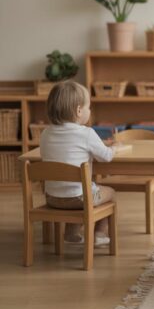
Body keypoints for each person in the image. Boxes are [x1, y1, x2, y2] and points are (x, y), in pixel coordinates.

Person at [40, 81, 118, 246]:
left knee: (79, 190)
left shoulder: (45, 133)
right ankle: (99, 234)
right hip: (79, 199)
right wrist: (115, 147)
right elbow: (106, 156)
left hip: (52, 197)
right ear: (78, 110)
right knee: (109, 192)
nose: (90, 111)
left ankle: (72, 234)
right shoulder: (87, 133)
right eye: (89, 107)